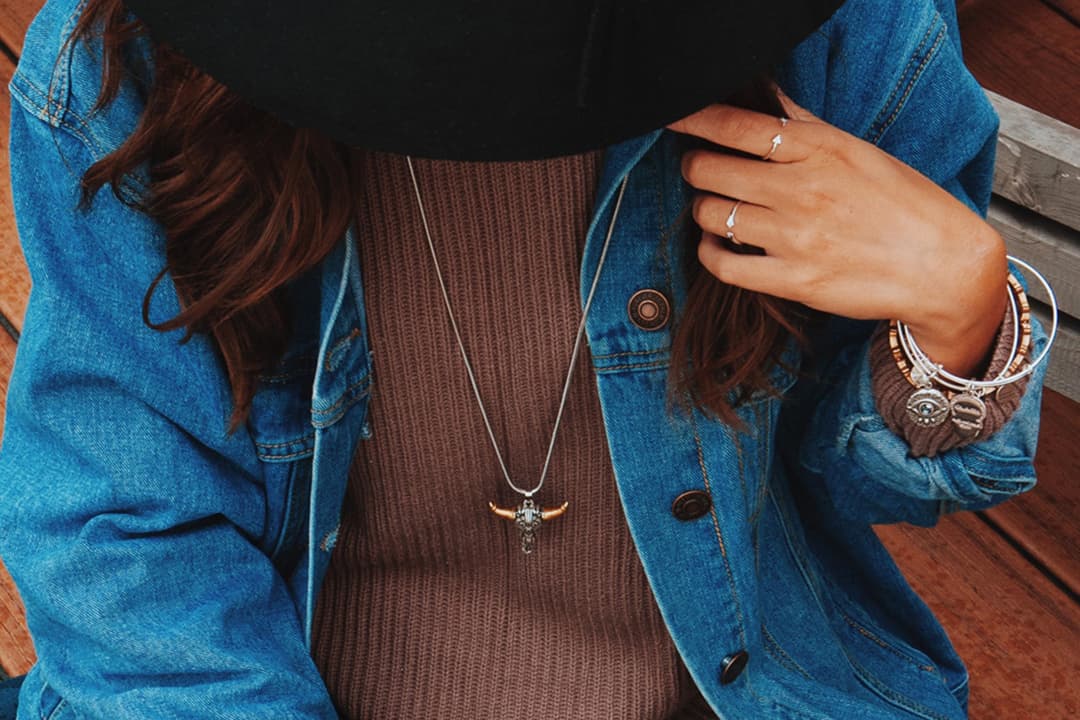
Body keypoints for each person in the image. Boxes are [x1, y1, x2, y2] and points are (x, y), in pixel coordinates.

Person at [0, 0, 1051, 718]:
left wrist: (959, 317)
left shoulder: (838, 28)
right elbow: (126, 550)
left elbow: (850, 485)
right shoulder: (130, 69)